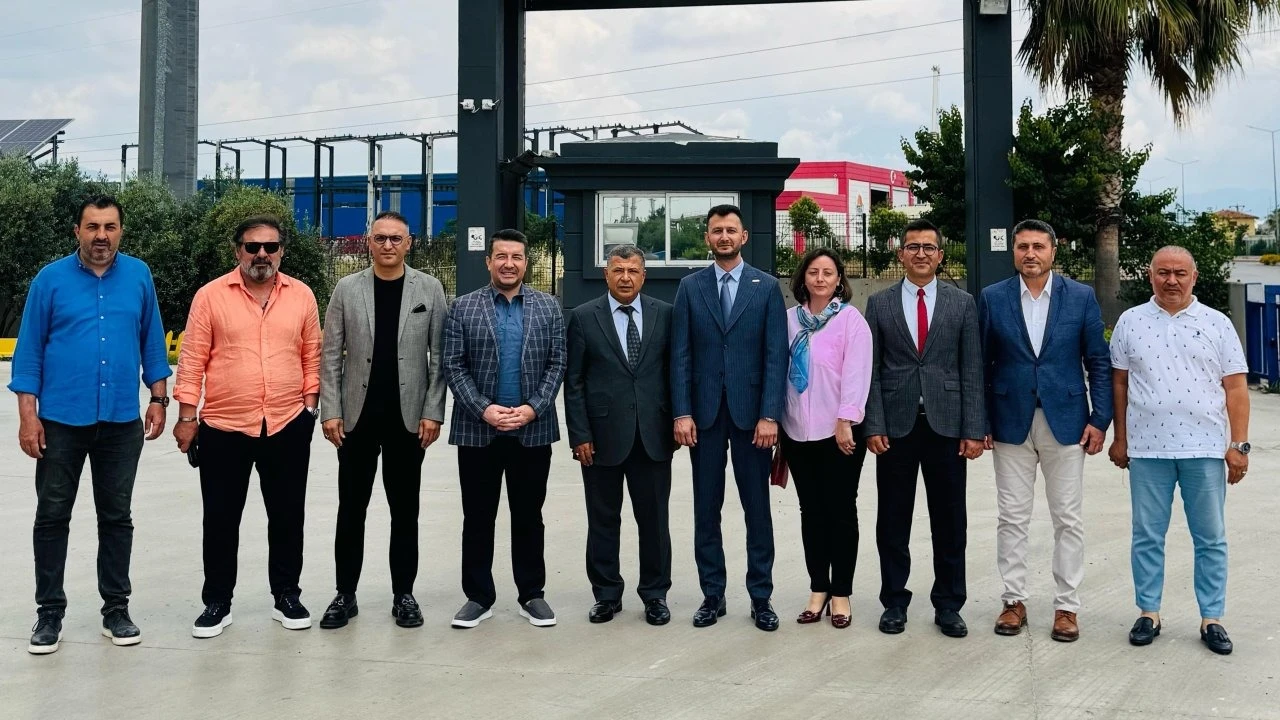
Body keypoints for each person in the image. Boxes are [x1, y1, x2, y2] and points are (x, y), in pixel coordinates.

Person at [10, 196, 170, 654]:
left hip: (120, 421)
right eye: (93, 227)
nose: (102, 236)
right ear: (77, 231)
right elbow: (29, 352)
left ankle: (116, 609)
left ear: (121, 231)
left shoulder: (138, 275)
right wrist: (27, 417)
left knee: (117, 517)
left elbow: (152, 341)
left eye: (110, 227)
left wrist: (159, 398)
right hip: (60, 421)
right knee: (52, 515)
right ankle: (49, 613)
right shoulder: (50, 279)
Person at [173, 215, 322, 639]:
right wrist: (187, 417)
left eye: (270, 247)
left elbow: (312, 354)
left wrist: (309, 409)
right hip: (224, 426)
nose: (261, 254)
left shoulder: (302, 296)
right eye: (252, 247)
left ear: (282, 252)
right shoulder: (210, 296)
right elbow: (192, 359)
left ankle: (286, 596)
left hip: (287, 423)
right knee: (220, 519)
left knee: (288, 516)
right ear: (237, 250)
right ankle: (217, 602)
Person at [1108, 245, 1249, 656]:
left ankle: (1212, 618)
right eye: (1163, 272)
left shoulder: (1217, 323)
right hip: (1147, 449)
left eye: (1180, 273)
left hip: (1203, 449)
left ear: (1194, 276)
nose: (1171, 280)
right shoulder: (1131, 321)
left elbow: (1236, 387)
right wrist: (1121, 438)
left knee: (1210, 538)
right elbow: (1119, 382)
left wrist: (1238, 445)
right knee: (1147, 535)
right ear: (1150, 275)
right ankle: (1148, 612)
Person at [979, 219, 1112, 642]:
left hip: (1067, 422)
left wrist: (1100, 419)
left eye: (1038, 246)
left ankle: (1066, 606)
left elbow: (1098, 361)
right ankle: (1013, 601)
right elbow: (981, 364)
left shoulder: (1080, 297)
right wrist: (981, 421)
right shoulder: (993, 297)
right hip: (1009, 422)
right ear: (1013, 251)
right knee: (1012, 517)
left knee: (1067, 518)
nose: (1030, 254)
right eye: (1023, 247)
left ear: (1054, 250)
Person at [317, 211, 448, 630]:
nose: (388, 245)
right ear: (368, 242)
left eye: (396, 238)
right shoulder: (347, 289)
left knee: (405, 511)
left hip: (408, 421)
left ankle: (403, 595)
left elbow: (440, 358)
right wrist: (330, 410)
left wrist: (433, 411)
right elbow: (330, 355)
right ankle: (345, 594)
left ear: (409, 243)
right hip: (356, 420)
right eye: (380, 238)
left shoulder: (429, 288)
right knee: (351, 509)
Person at [864, 218, 984, 638]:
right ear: (901, 254)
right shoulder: (879, 304)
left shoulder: (962, 303)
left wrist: (973, 428)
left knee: (950, 521)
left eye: (928, 247)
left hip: (947, 427)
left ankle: (949, 604)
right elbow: (870, 370)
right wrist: (873, 423)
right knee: (892, 520)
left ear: (940, 255)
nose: (920, 254)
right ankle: (894, 602)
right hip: (895, 428)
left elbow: (971, 368)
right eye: (913, 247)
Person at [671, 204, 788, 631]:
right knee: (707, 508)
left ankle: (761, 596)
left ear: (743, 237)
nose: (724, 236)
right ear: (707, 238)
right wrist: (682, 411)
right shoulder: (690, 287)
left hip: (752, 417)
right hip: (703, 417)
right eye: (716, 230)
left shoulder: (766, 287)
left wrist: (770, 414)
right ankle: (712, 594)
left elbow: (776, 354)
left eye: (730, 230)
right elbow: (680, 354)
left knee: (757, 509)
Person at [444, 229, 566, 628]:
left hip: (532, 431)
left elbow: (557, 364)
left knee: (529, 516)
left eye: (516, 257)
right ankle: (478, 597)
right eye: (501, 256)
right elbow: (453, 366)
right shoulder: (463, 307)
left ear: (525, 263)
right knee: (477, 517)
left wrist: (533, 408)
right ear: (488, 261)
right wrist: (484, 409)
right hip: (478, 431)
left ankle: (532, 594)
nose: (508, 263)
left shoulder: (548, 307)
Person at [564, 244, 675, 626]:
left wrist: (677, 421)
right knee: (603, 520)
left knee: (654, 522)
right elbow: (574, 381)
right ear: (606, 274)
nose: (625, 277)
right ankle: (606, 595)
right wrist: (579, 434)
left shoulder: (665, 314)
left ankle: (655, 595)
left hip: (653, 436)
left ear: (644, 276)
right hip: (600, 438)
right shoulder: (583, 317)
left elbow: (675, 372)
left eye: (632, 271)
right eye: (618, 270)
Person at [778, 248, 871, 630]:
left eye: (828, 273)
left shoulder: (850, 321)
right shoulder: (788, 321)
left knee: (841, 511)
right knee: (811, 511)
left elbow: (857, 373)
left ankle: (841, 593)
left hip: (839, 432)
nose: (820, 278)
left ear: (838, 280)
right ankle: (818, 588)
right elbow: (778, 370)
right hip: (797, 431)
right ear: (803, 277)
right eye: (813, 271)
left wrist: (846, 419)